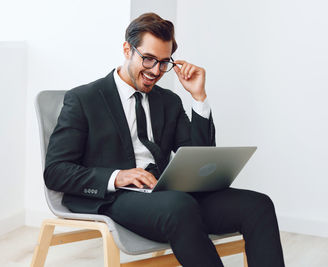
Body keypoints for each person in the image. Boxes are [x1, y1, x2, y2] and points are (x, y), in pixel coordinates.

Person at [44, 13, 285, 267]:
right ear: (127, 49)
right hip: (118, 197)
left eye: (163, 62)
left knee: (258, 205)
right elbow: (56, 171)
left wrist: (199, 98)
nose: (155, 71)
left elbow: (199, 161)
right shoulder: (84, 99)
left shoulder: (168, 101)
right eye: (148, 59)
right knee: (179, 206)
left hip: (168, 195)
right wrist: (117, 176)